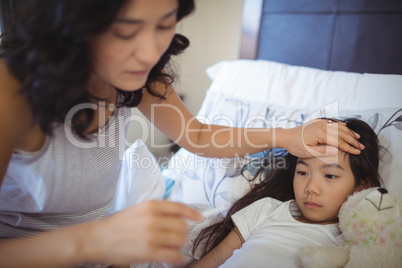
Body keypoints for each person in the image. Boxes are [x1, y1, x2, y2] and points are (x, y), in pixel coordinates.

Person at [0, 0, 364, 267]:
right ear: (70, 27)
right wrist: (95, 241)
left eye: (164, 25)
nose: (147, 53)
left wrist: (287, 137)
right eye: (125, 31)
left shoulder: (140, 77)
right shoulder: (10, 91)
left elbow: (200, 136)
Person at [192, 118, 381, 268]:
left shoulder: (354, 237)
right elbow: (212, 261)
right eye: (302, 172)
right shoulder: (265, 210)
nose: (311, 187)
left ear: (362, 187)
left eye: (330, 175)